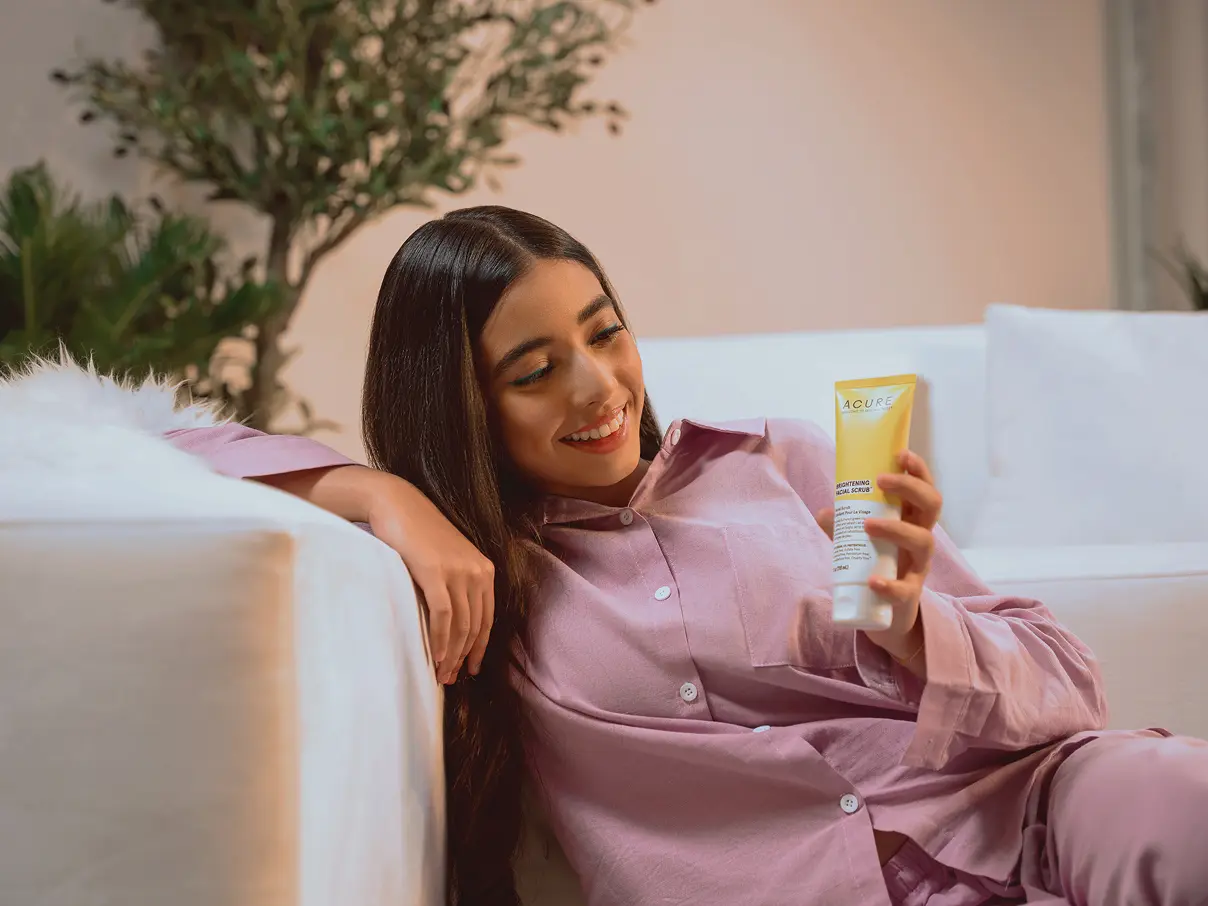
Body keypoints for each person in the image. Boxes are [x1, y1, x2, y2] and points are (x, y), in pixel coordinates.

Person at [166, 206, 1208, 906]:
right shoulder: (489, 577)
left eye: (604, 333)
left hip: (1027, 812)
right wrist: (384, 492)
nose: (597, 389)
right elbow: (153, 446)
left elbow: (1070, 685)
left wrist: (913, 625)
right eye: (534, 370)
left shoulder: (782, 462)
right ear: (461, 404)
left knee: (1176, 795)